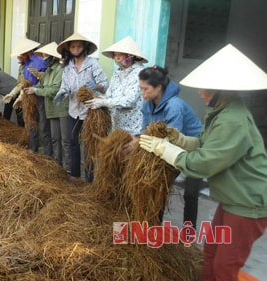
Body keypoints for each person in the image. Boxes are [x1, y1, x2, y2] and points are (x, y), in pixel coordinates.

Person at [139, 44, 267, 281]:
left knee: (225, 266)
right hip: (233, 199)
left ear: (220, 89)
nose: (199, 91)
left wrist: (167, 151)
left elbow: (205, 163)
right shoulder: (222, 111)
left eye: (203, 87)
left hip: (247, 203)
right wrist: (178, 139)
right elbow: (203, 143)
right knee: (210, 252)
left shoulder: (233, 120)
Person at [137, 65, 203, 228]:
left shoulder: (174, 105)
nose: (142, 93)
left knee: (190, 194)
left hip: (194, 148)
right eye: (140, 89)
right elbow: (145, 129)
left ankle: (189, 232)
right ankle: (154, 226)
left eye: (145, 89)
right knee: (158, 185)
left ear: (158, 87)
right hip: (165, 147)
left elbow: (174, 138)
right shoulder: (147, 103)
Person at [53, 32, 109, 182]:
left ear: (84, 48)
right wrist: (61, 93)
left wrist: (95, 86)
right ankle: (75, 174)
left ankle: (90, 178)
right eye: (73, 47)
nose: (76, 49)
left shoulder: (93, 64)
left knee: (89, 144)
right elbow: (65, 86)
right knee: (72, 141)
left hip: (91, 111)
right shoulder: (68, 67)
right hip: (73, 110)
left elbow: (105, 84)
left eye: (79, 46)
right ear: (69, 49)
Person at [84, 36, 146, 135]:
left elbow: (129, 100)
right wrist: (97, 99)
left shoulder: (140, 73)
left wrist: (104, 102)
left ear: (130, 56)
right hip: (117, 126)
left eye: (120, 55)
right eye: (115, 55)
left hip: (133, 128)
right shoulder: (117, 73)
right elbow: (109, 95)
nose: (117, 58)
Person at [23, 42, 70, 171]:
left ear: (53, 57)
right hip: (51, 109)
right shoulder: (48, 71)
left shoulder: (60, 70)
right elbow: (41, 85)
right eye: (43, 55)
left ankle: (67, 167)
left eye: (46, 55)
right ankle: (56, 163)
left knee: (65, 139)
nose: (44, 58)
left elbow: (54, 90)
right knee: (55, 137)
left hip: (61, 109)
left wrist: (36, 91)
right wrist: (32, 88)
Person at [4, 37, 49, 153]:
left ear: (27, 51)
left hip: (41, 98)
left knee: (43, 127)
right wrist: (16, 95)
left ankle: (47, 153)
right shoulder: (25, 64)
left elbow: (47, 80)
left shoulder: (40, 61)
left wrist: (40, 77)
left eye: (20, 54)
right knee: (30, 123)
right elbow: (24, 82)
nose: (19, 57)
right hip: (28, 98)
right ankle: (32, 149)